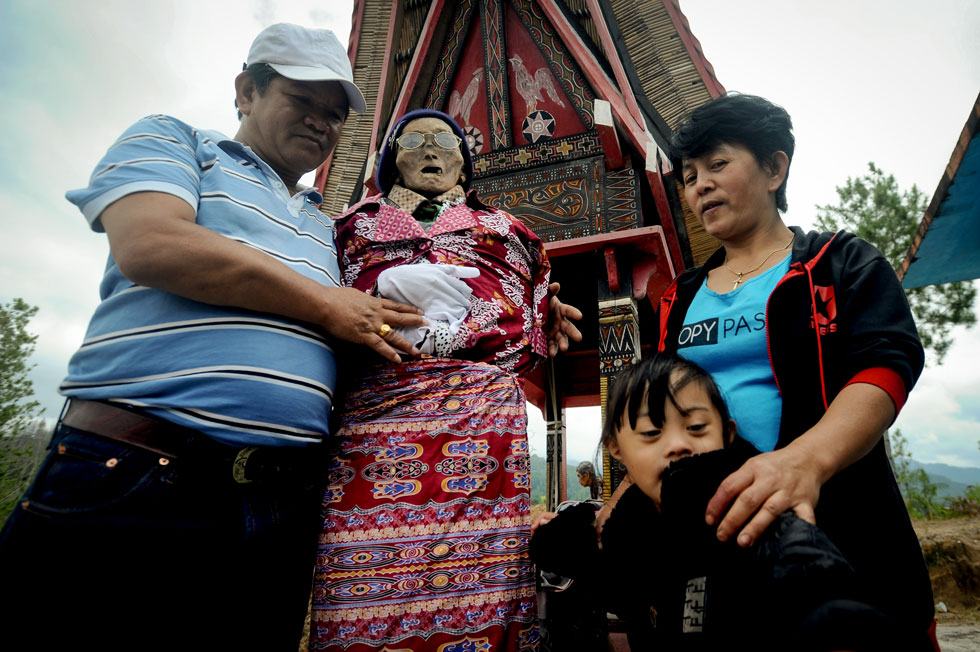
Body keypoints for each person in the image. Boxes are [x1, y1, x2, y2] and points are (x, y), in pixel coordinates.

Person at [0, 27, 582, 650]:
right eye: (304, 100)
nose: (322, 123)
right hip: (145, 466)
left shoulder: (321, 222)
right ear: (246, 90)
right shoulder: (186, 147)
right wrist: (328, 304)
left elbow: (463, 299)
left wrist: (527, 306)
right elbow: (152, 244)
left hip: (286, 495)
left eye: (335, 114)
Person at [650, 93, 937, 649]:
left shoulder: (840, 263)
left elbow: (888, 363)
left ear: (775, 168)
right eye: (688, 176)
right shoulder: (678, 300)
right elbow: (656, 414)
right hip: (715, 539)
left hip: (838, 523)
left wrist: (803, 463)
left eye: (717, 164)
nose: (700, 185)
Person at [310, 110, 549, 651]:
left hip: (479, 426)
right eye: (414, 140)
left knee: (486, 589)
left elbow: (524, 326)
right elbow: (321, 314)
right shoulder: (347, 230)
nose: (431, 151)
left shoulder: (511, 234)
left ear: (466, 158)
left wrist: (449, 336)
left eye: (445, 141)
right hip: (374, 422)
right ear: (389, 156)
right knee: (358, 588)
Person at [530, 354, 918, 651]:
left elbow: (800, 561)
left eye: (696, 428)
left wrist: (828, 610)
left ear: (727, 434)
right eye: (651, 432)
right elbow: (605, 573)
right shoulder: (630, 525)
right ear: (617, 449)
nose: (678, 444)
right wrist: (555, 534)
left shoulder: (745, 503)